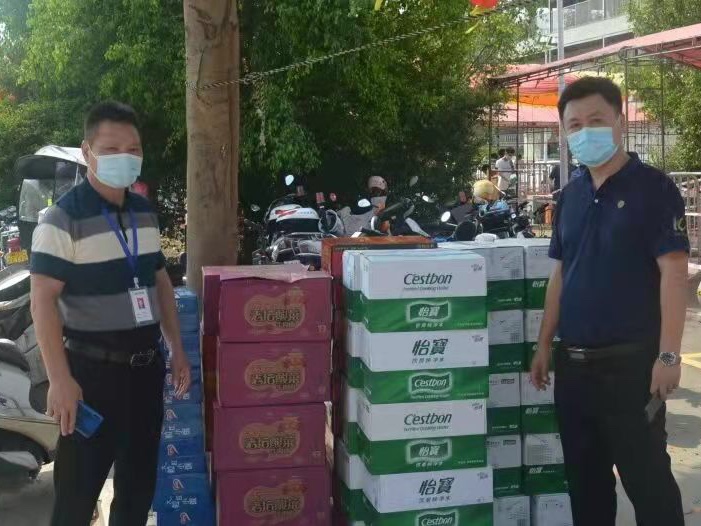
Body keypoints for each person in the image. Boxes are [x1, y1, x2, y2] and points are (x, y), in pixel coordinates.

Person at [530, 77, 687, 525]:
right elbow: (562, 273)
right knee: (586, 485)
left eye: (596, 120)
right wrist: (544, 344)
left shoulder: (654, 189)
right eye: (575, 125)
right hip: (574, 367)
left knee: (648, 482)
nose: (585, 132)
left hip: (632, 368)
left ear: (620, 121)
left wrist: (669, 354)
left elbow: (673, 272)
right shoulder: (570, 196)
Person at [30, 101, 192, 526]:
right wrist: (60, 380)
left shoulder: (144, 213)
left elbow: (159, 281)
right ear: (88, 152)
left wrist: (176, 347)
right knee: (75, 500)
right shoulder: (62, 218)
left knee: (137, 495)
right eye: (112, 148)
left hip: (145, 373)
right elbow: (42, 301)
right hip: (90, 379)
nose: (125, 157)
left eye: (133, 149)